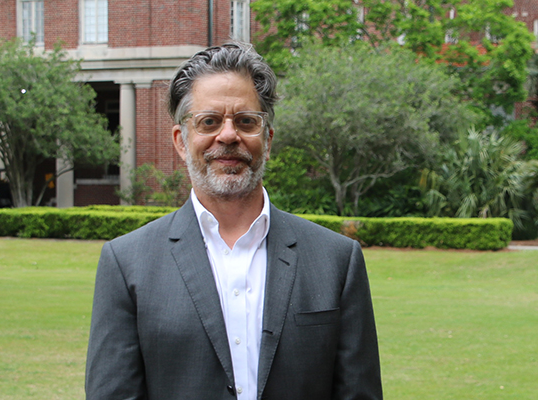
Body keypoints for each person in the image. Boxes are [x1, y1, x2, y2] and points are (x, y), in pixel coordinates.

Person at [85, 43, 382, 400]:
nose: (228, 135)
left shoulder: (336, 260)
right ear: (182, 141)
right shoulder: (127, 263)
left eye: (246, 121)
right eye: (209, 121)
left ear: (267, 139)